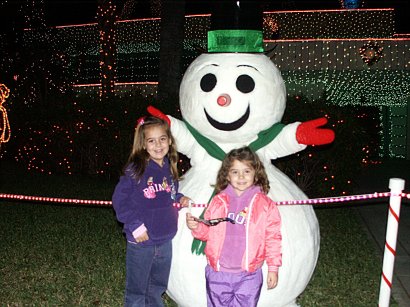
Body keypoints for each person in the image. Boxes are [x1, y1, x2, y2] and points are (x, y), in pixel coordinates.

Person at [186, 146, 282, 307]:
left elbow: (273, 238)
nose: (241, 176)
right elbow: (206, 233)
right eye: (235, 172)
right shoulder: (218, 201)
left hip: (249, 275)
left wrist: (273, 267)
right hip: (218, 273)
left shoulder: (265, 205)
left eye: (247, 171)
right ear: (227, 175)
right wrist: (196, 226)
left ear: (256, 173)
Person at [112, 115, 192, 307]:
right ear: (143, 144)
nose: (158, 145)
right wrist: (135, 225)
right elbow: (119, 199)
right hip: (142, 241)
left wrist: (180, 198)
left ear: (170, 140)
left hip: (165, 239)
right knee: (138, 290)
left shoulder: (167, 167)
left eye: (162, 139)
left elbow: (169, 193)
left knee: (157, 286)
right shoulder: (137, 168)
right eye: (151, 140)